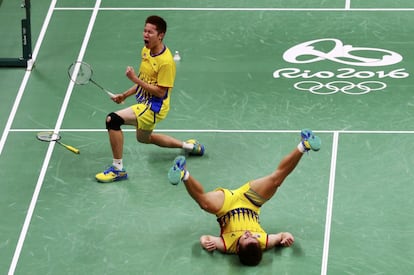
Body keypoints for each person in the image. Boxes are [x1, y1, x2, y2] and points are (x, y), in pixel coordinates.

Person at [167, 129, 321, 266]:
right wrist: (287, 238)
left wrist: (204, 243)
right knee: (276, 180)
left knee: (204, 203)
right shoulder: (262, 242)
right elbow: (282, 235)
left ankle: (183, 173)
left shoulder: (227, 245)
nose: (249, 234)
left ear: (238, 248)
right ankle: (304, 144)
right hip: (250, 201)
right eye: (253, 237)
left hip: (225, 206)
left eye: (246, 238)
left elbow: (205, 238)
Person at [95, 15, 204, 183]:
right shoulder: (146, 51)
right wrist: (124, 95)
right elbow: (144, 80)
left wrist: (134, 79)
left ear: (160, 35)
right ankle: (189, 146)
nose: (145, 35)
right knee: (144, 138)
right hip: (144, 103)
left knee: (112, 120)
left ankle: (118, 169)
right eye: (144, 31)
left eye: (150, 32)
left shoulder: (166, 62)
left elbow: (161, 92)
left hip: (154, 107)